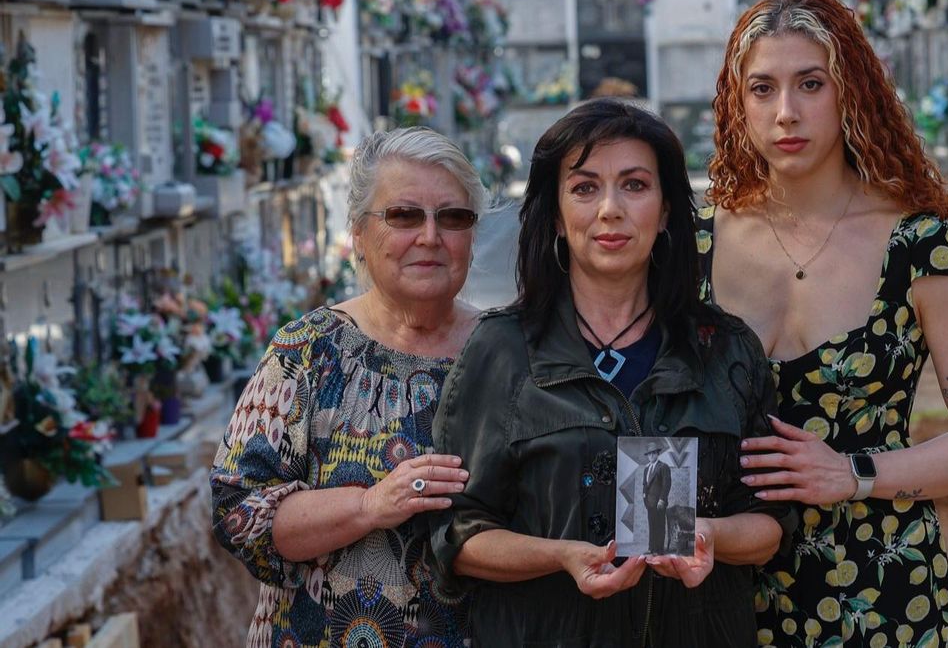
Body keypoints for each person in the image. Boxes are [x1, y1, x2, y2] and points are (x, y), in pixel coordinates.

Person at [699, 0, 948, 647]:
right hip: (720, 586)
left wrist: (853, 473)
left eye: (810, 84)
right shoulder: (691, 244)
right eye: (762, 88)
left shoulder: (921, 244)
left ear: (851, 91)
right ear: (738, 102)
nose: (785, 112)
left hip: (881, 592)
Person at [430, 98, 795, 647]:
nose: (609, 209)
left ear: (668, 209)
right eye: (584, 188)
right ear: (555, 214)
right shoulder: (502, 349)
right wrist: (563, 556)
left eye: (634, 185)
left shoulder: (726, 350)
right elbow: (456, 532)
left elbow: (771, 523)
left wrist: (706, 535)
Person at [211, 127, 487, 648]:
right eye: (404, 216)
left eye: (452, 217)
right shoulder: (306, 353)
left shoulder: (509, 352)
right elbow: (238, 515)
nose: (430, 236)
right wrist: (370, 506)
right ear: (359, 233)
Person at [641, 443, 672, 555]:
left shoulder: (663, 467)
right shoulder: (646, 468)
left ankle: (659, 550)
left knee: (659, 525)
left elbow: (666, 485)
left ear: (657, 454)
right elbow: (645, 485)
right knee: (652, 525)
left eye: (653, 453)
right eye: (649, 454)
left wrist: (662, 500)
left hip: (659, 502)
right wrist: (644, 497)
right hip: (649, 502)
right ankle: (651, 548)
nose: (651, 456)